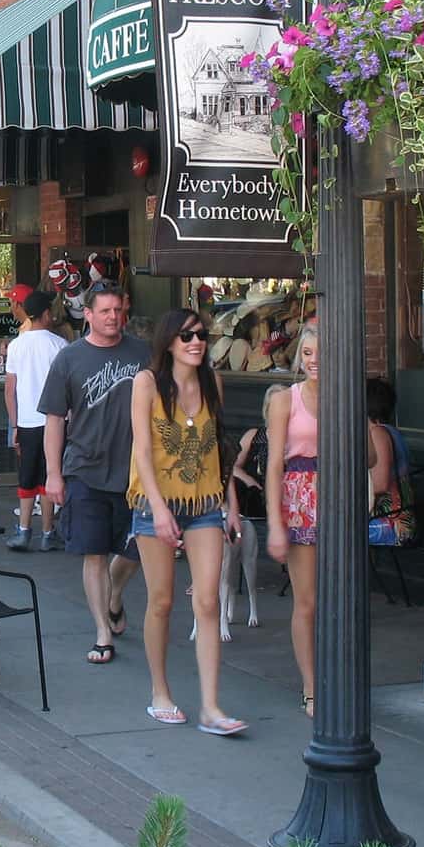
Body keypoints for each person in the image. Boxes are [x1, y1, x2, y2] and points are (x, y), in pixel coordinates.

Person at [127, 305, 245, 736]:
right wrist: (158, 509)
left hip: (205, 504)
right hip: (153, 501)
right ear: (169, 342)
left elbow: (217, 450)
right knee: (161, 601)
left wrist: (230, 502)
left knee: (209, 600)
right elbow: (142, 451)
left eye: (201, 336)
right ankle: (160, 693)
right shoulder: (146, 384)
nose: (196, 343)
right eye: (187, 336)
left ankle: (211, 707)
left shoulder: (213, 382)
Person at [39, 283, 146, 666]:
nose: (113, 317)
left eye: (118, 310)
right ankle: (102, 631)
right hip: (84, 468)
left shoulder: (142, 353)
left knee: (137, 550)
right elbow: (53, 419)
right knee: (94, 552)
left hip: (136, 473)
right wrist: (54, 473)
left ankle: (114, 595)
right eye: (105, 311)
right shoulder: (69, 360)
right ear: (88, 314)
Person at [265, 322, 322, 714]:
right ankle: (311, 685)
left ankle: (338, 674)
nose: (314, 361)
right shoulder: (287, 399)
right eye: (307, 353)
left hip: (338, 497)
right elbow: (272, 466)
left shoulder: (346, 396)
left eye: (321, 353)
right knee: (308, 601)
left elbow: (369, 456)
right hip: (299, 498)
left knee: (342, 599)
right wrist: (274, 523)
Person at [4, 290, 66, 551]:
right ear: (46, 313)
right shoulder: (59, 345)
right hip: (54, 421)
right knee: (49, 476)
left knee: (26, 478)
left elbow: (10, 389)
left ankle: (24, 529)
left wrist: (14, 425)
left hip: (27, 422)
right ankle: (48, 532)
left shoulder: (16, 345)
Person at [365, 377, 416, 546]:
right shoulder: (391, 431)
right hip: (392, 520)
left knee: (319, 530)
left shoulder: (378, 434)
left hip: (391, 524)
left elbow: (379, 485)